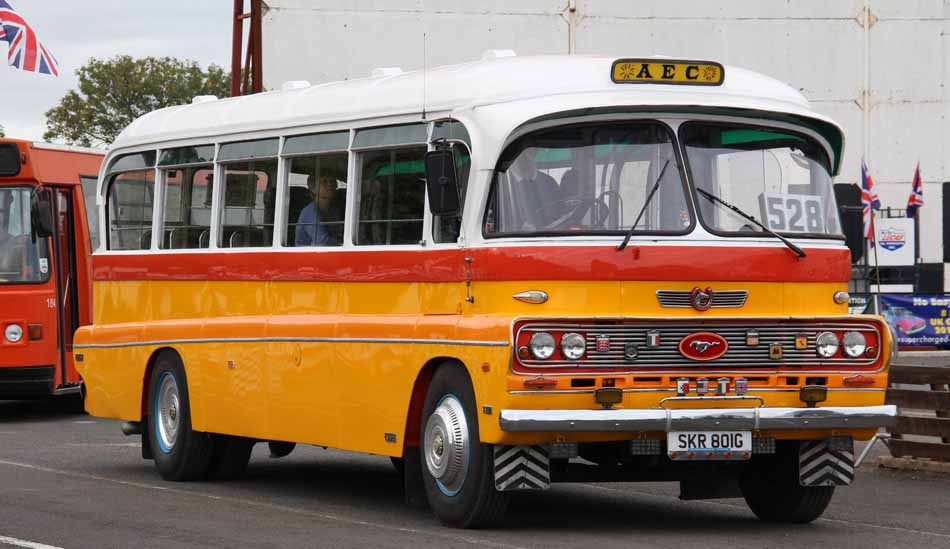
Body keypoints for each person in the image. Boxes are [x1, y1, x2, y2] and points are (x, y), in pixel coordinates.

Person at [508, 151, 563, 228]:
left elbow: (559, 211)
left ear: (534, 155)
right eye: (519, 155)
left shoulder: (549, 182)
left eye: (527, 153)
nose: (523, 158)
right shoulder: (505, 182)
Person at [295, 175, 343, 246]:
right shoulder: (309, 212)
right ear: (313, 189)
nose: (330, 184)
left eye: (332, 181)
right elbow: (322, 242)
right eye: (324, 182)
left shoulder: (334, 210)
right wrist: (343, 245)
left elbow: (339, 234)